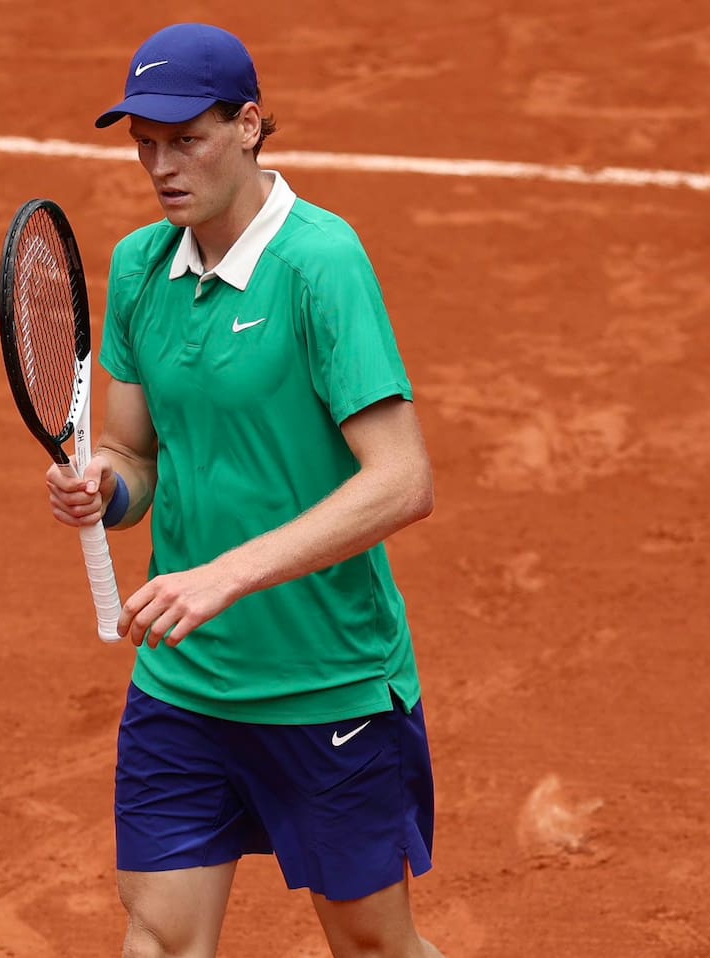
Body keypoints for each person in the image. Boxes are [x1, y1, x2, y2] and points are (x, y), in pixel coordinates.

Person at [46, 22, 443, 958]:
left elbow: (404, 482)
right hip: (185, 681)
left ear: (251, 125)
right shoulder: (143, 265)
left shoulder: (320, 263)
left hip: (326, 681)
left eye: (187, 138)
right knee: (161, 937)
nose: (161, 165)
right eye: (145, 142)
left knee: (372, 945)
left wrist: (223, 576)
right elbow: (133, 454)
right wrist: (104, 488)